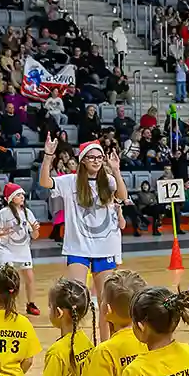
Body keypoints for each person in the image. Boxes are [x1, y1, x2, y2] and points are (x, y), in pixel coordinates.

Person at [41, 138, 128, 338]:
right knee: (73, 299)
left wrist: (116, 169)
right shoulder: (70, 181)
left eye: (100, 157)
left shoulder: (108, 180)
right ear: (83, 160)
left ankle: (105, 346)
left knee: (106, 303)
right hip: (77, 247)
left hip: (105, 247)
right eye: (92, 157)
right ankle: (70, 343)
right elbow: (45, 182)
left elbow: (122, 196)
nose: (97, 161)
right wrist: (48, 156)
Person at [0, 183, 42, 316]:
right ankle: (8, 304)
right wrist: (4, 232)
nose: (22, 197)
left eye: (22, 195)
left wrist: (36, 229)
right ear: (11, 198)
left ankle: (31, 304)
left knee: (30, 277)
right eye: (18, 195)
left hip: (23, 250)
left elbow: (35, 236)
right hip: (7, 249)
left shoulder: (27, 212)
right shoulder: (4, 213)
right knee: (9, 279)